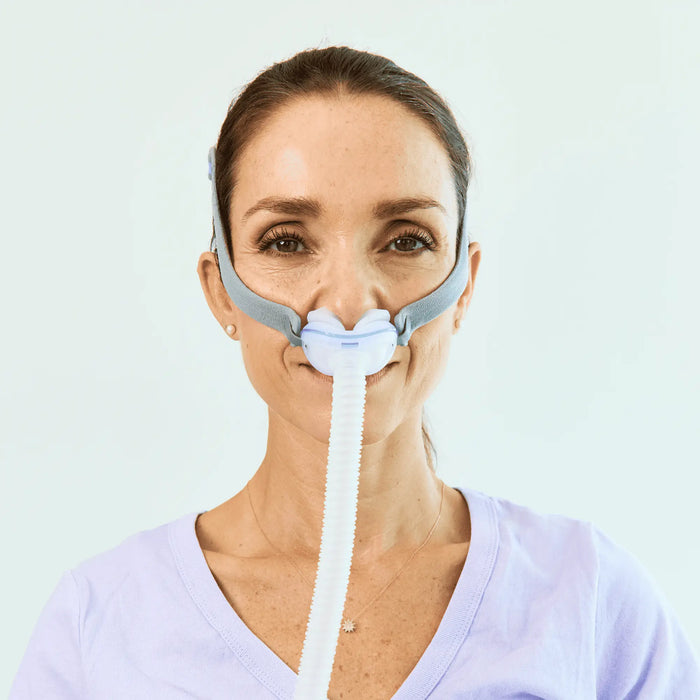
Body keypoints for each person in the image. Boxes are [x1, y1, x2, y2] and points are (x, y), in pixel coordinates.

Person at [10, 46, 700, 700]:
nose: (347, 306)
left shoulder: (589, 604)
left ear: (463, 287)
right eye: (287, 241)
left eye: (405, 240)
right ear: (221, 291)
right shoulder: (100, 626)